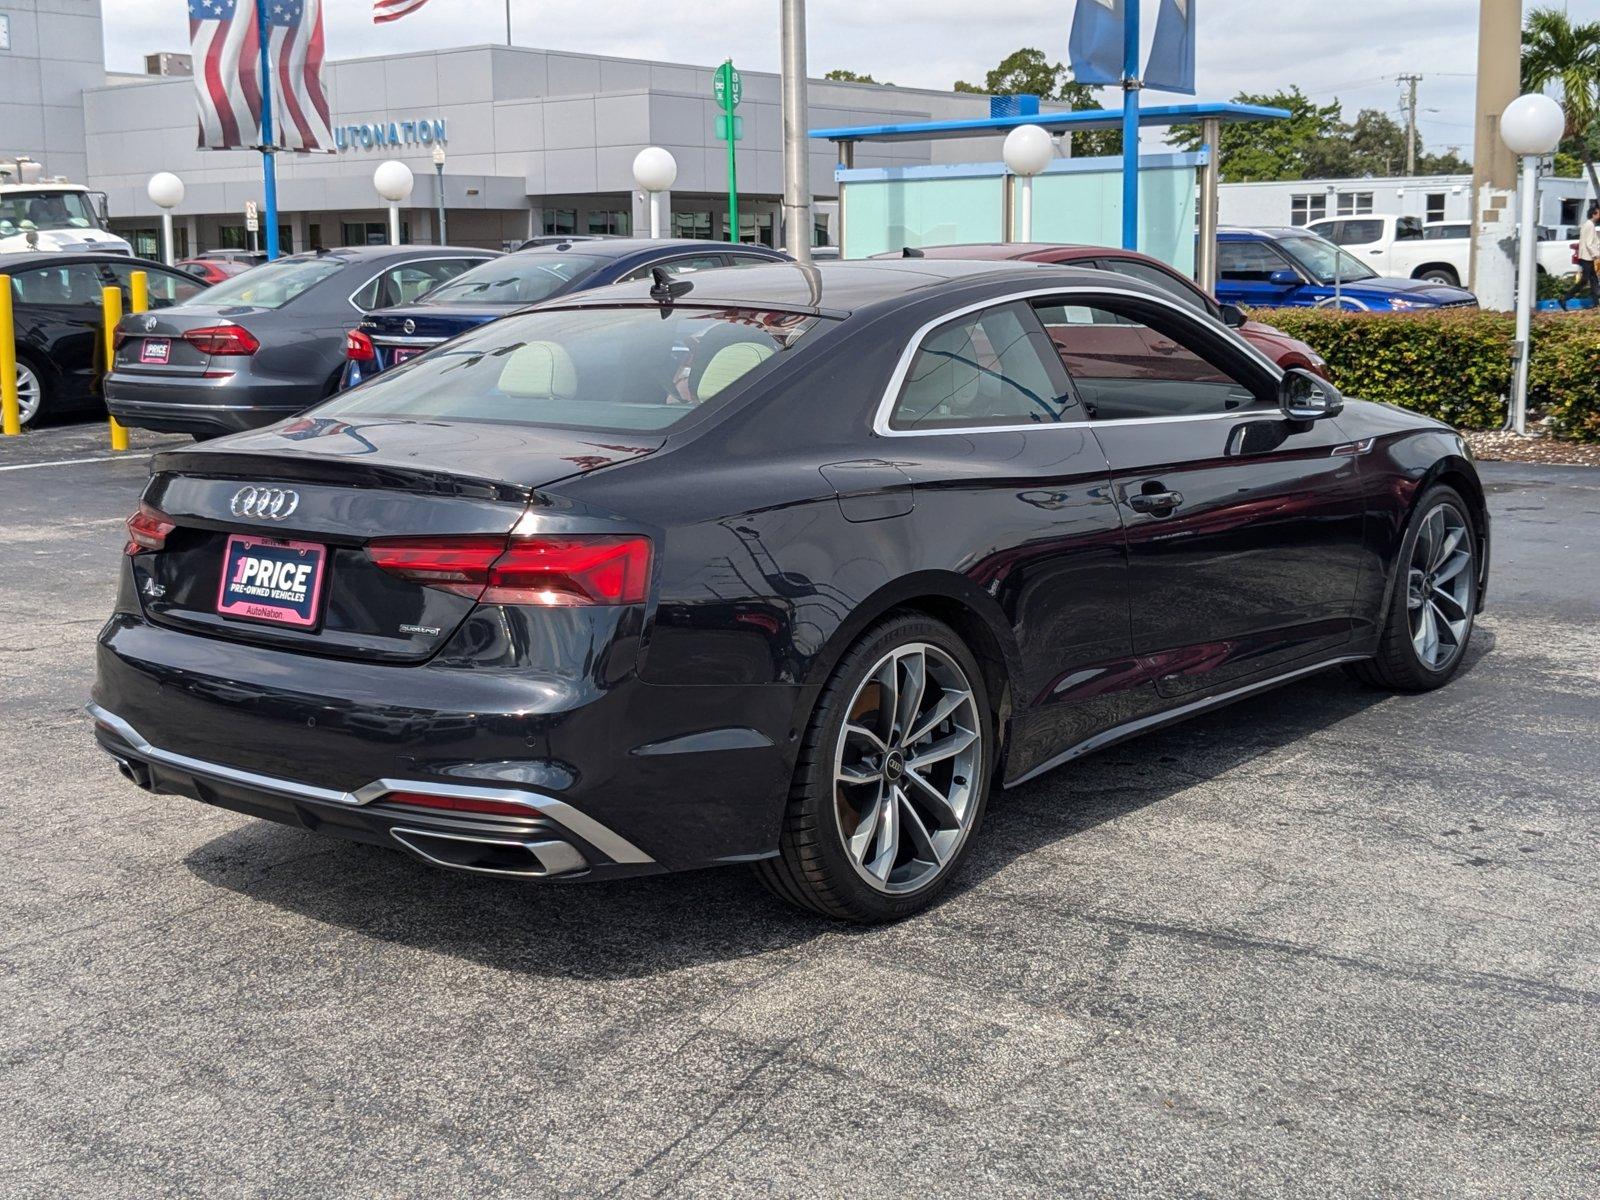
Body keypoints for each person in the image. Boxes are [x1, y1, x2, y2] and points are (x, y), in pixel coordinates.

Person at [1580, 203, 1600, 302]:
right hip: (1587, 257)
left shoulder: (1587, 224)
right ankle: (1565, 298)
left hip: (1587, 257)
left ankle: (1595, 301)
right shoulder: (1590, 225)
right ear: (1594, 214)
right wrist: (1596, 255)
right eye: (1598, 214)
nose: (1599, 215)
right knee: (1584, 281)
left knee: (1594, 279)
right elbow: (1589, 243)